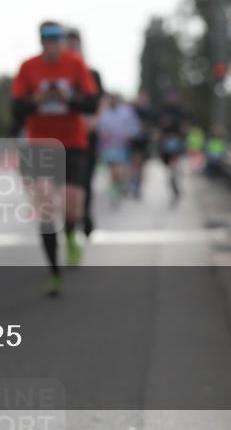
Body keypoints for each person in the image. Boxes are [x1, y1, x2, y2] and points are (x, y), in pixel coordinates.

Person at [11, 22, 99, 296]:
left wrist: (67, 98)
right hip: (41, 144)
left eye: (55, 38)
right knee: (46, 209)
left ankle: (72, 234)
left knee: (71, 207)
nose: (51, 43)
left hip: (73, 143)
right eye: (46, 38)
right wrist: (36, 101)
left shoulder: (75, 64)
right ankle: (54, 273)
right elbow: (15, 109)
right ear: (40, 41)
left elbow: (92, 103)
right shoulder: (28, 67)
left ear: (61, 41)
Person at [64, 28, 103, 235]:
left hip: (87, 138)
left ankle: (85, 214)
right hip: (62, 137)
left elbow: (99, 103)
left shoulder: (91, 73)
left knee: (84, 181)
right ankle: (69, 223)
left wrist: (93, 122)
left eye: (74, 44)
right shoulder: (58, 72)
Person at [95, 93, 141, 206]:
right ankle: (114, 192)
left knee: (121, 171)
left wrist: (129, 135)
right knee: (113, 171)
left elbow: (134, 127)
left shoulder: (127, 112)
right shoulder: (104, 112)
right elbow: (99, 127)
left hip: (122, 146)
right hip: (108, 147)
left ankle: (120, 186)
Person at [157, 89, 189, 204]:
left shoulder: (181, 111)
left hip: (177, 141)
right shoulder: (163, 110)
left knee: (174, 164)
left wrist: (183, 133)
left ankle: (175, 180)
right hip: (166, 142)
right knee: (169, 167)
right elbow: (158, 127)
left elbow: (185, 127)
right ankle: (173, 180)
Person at [128, 89, 156, 199]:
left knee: (141, 165)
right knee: (134, 162)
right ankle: (133, 182)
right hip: (134, 140)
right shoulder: (133, 110)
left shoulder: (149, 111)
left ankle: (138, 186)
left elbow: (153, 126)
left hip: (144, 141)